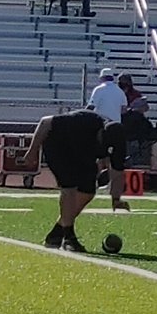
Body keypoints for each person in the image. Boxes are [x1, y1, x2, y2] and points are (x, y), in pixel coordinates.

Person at [17, 107, 111, 250]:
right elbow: (45, 122)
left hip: (80, 152)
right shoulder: (81, 121)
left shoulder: (108, 139)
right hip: (58, 147)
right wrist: (32, 151)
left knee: (88, 191)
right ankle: (68, 237)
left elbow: (106, 160)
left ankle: (57, 232)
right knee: (69, 188)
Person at [86, 68, 131, 210]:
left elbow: (91, 107)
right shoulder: (119, 91)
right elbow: (124, 110)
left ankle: (88, 188)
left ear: (102, 78)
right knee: (117, 165)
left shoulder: (99, 90)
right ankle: (116, 199)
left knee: (95, 158)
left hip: (102, 126)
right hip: (117, 127)